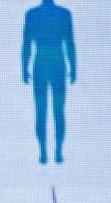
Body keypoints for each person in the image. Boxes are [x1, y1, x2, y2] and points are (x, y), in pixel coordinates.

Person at [22, 0, 77, 164]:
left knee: (42, 111)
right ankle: (56, 151)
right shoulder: (63, 14)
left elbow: (26, 43)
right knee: (58, 111)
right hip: (57, 63)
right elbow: (69, 43)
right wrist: (73, 66)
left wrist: (24, 66)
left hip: (41, 63)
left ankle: (44, 152)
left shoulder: (33, 14)